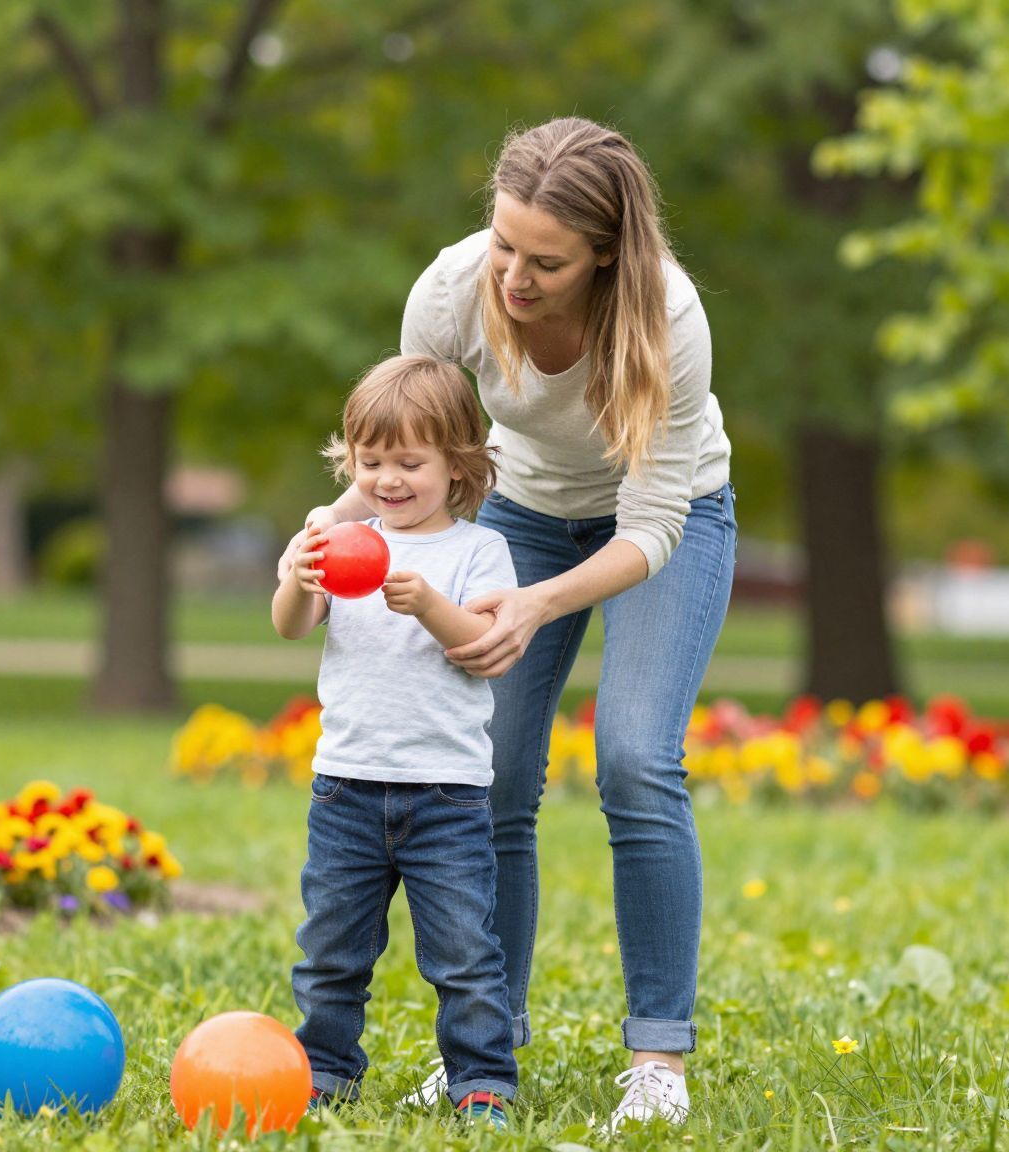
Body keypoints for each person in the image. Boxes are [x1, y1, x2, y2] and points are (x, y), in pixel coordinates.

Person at [280, 117, 735, 1130]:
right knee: (487, 772)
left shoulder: (668, 317)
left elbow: (651, 522)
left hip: (665, 519)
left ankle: (657, 1059)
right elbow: (408, 450)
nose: (514, 278)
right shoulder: (451, 292)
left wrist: (537, 603)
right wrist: (322, 529)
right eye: (503, 245)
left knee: (635, 759)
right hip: (521, 510)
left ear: (604, 253)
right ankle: (487, 1049)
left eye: (546, 262)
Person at [273, 355, 520, 1128]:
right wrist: (298, 578)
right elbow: (289, 627)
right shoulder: (343, 540)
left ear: (458, 465)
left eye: (410, 463)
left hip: (446, 793)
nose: (388, 479)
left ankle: (481, 1082)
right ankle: (324, 1070)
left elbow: (479, 643)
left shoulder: (477, 551)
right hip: (345, 788)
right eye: (371, 461)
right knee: (331, 949)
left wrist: (428, 606)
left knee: (464, 954)